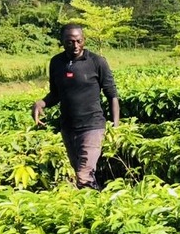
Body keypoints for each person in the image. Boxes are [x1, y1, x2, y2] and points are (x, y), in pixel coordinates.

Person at [31, 23, 120, 189]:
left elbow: (112, 95)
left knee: (84, 174)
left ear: (84, 40)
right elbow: (55, 94)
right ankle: (99, 206)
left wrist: (116, 125)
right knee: (82, 174)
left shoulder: (96, 62)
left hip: (93, 126)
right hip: (68, 128)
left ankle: (90, 210)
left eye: (79, 41)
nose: (75, 45)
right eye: (70, 42)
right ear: (62, 42)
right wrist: (40, 103)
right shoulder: (56, 62)